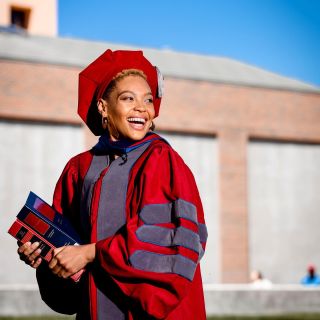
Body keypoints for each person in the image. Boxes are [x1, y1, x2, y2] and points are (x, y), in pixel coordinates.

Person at [17, 49, 208, 319]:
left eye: (148, 100)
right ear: (103, 107)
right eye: (128, 98)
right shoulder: (79, 169)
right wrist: (48, 257)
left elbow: (172, 241)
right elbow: (71, 250)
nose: (142, 108)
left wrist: (91, 253)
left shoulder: (163, 161)